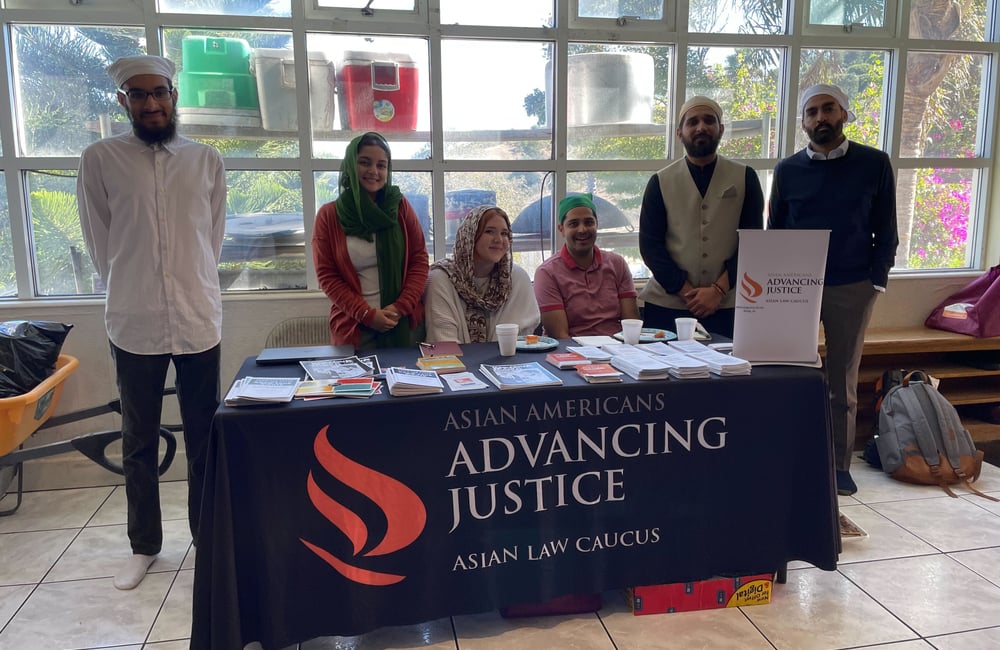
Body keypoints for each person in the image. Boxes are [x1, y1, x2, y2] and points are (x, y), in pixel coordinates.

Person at [77, 55, 227, 590]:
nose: (151, 103)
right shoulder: (100, 159)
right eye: (138, 95)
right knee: (137, 437)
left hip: (196, 319)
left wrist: (190, 286)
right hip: (134, 320)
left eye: (159, 92)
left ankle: (207, 541)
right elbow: (102, 245)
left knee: (206, 437)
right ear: (123, 102)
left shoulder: (205, 160)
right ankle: (144, 545)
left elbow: (211, 238)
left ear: (173, 95)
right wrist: (135, 285)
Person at [769, 83, 898, 496]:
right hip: (796, 287)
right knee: (793, 376)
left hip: (852, 285)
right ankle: (791, 460)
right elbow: (777, 230)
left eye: (828, 109)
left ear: (844, 114)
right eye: (812, 112)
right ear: (803, 123)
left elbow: (887, 229)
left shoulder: (874, 164)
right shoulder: (788, 170)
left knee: (842, 379)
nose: (820, 118)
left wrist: (876, 279)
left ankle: (838, 466)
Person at [638, 96, 764, 338]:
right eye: (692, 122)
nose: (701, 127)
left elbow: (752, 243)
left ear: (721, 129)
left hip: (728, 304)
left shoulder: (745, 177)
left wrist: (717, 290)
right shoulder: (659, 182)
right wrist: (687, 292)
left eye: (709, 120)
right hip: (668, 304)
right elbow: (650, 246)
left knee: (732, 373)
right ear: (679, 133)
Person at [312, 132, 429, 349]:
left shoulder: (400, 207)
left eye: (381, 165)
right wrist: (367, 314)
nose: (374, 171)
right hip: (355, 328)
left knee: (408, 384)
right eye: (365, 163)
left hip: (403, 324)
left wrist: (400, 307)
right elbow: (327, 276)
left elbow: (419, 260)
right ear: (350, 166)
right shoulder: (329, 216)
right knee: (359, 383)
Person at [424, 205, 539, 343]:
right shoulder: (441, 277)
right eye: (489, 231)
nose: (498, 240)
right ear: (470, 235)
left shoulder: (516, 278)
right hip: (453, 362)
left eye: (504, 233)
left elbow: (518, 340)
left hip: (505, 362)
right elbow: (443, 340)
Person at [533, 193, 639, 338]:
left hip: (617, 351)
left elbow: (632, 325)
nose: (582, 229)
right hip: (570, 353)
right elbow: (560, 337)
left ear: (597, 224)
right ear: (561, 229)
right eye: (573, 224)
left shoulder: (617, 264)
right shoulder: (547, 272)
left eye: (588, 222)